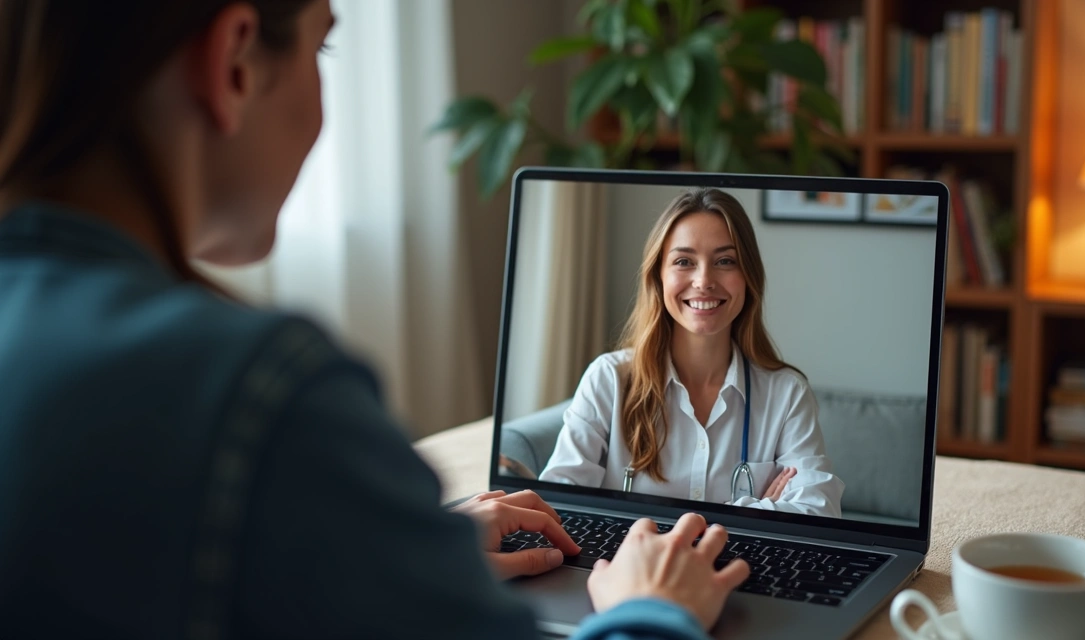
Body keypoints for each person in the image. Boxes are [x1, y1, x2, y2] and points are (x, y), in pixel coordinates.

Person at [0, 1, 750, 638]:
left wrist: (388, 548)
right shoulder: (262, 393)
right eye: (323, 44)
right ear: (234, 63)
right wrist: (650, 614)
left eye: (725, 262)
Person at [540, 188, 844, 517]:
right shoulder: (608, 380)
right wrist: (756, 509)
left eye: (725, 261)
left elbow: (820, 510)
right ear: (658, 275)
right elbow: (557, 505)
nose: (704, 281)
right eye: (684, 261)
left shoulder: (786, 393)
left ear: (748, 277)